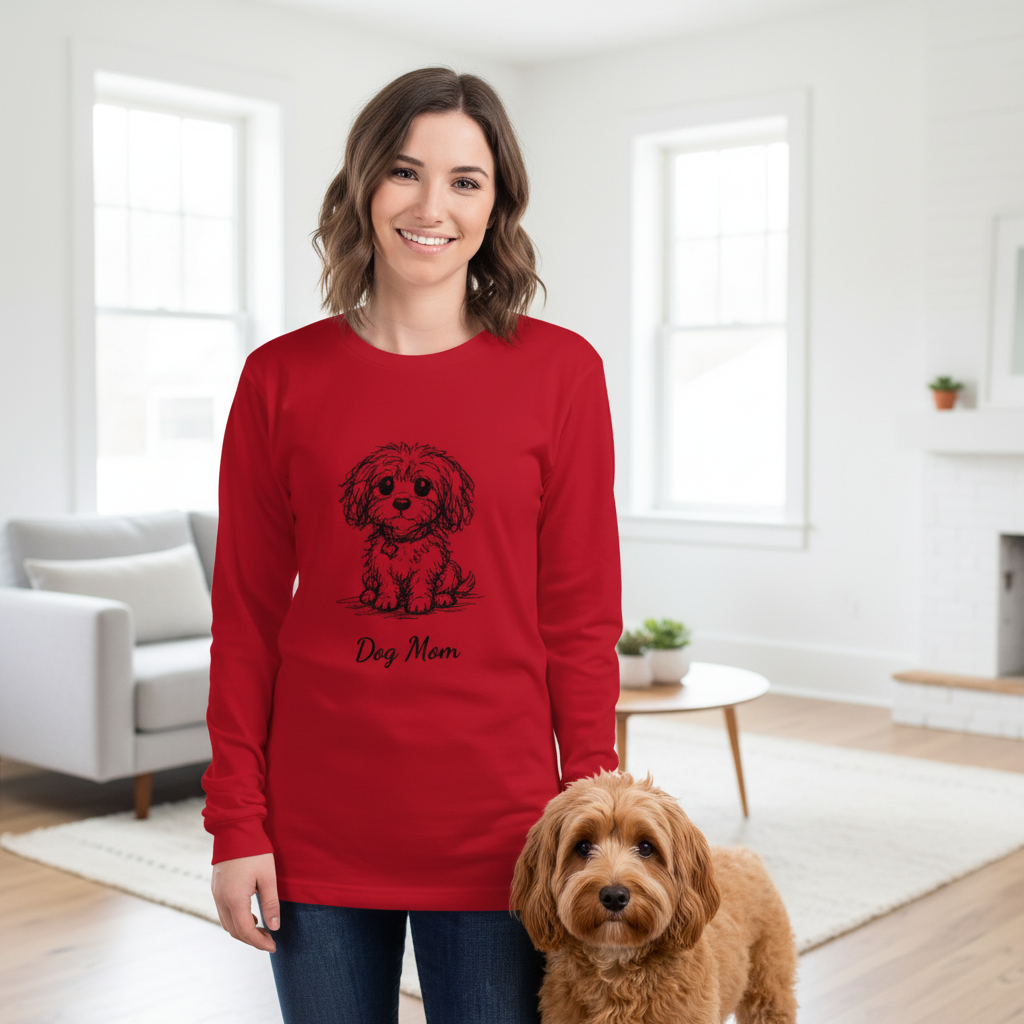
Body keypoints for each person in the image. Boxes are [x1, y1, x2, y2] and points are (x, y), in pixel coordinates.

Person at [201, 65, 622, 1024]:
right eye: (404, 172)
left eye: (465, 180)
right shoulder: (279, 380)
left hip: (503, 834)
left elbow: (582, 614)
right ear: (363, 188)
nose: (432, 205)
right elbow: (247, 617)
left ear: (496, 204)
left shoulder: (562, 374)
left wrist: (590, 817)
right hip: (315, 830)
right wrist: (237, 823)